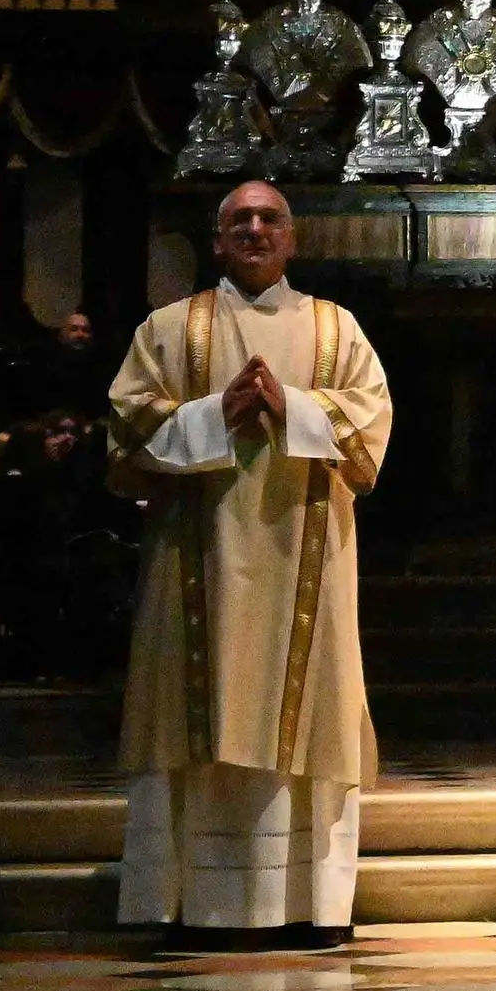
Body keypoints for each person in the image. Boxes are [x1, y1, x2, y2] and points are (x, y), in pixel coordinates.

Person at [105, 179, 391, 947]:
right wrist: (215, 415)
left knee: (306, 714)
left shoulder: (337, 330)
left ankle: (311, 904)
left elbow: (371, 430)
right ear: (217, 238)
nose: (256, 230)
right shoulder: (168, 329)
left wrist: (291, 406)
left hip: (309, 559)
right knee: (198, 707)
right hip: (193, 558)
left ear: (292, 238)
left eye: (270, 219)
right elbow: (126, 438)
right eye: (240, 220)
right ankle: (188, 903)